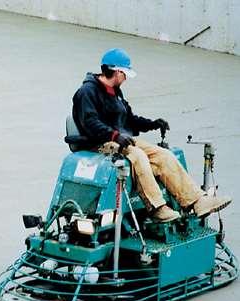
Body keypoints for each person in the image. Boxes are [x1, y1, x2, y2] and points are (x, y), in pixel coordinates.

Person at [72, 48, 231, 222]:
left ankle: (197, 201)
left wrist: (153, 124)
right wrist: (115, 135)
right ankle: (156, 208)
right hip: (99, 143)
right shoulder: (87, 92)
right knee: (137, 155)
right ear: (117, 72)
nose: (126, 79)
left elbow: (130, 119)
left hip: (120, 139)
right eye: (125, 74)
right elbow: (90, 123)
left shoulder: (115, 92)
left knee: (162, 155)